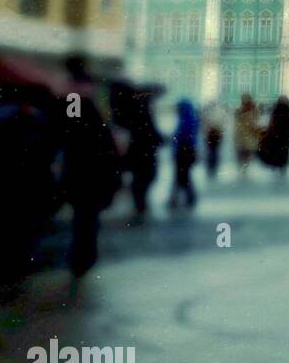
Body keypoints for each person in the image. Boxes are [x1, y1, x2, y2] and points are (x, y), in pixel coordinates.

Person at [60, 57, 120, 289]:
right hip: (89, 172)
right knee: (87, 219)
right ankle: (83, 258)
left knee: (83, 218)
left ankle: (82, 259)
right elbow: (80, 132)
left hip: (81, 171)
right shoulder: (83, 102)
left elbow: (72, 132)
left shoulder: (76, 101)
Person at [121, 88, 162, 220]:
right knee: (142, 181)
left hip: (140, 154)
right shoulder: (144, 113)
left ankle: (140, 206)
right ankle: (140, 207)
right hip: (144, 155)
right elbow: (151, 135)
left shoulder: (137, 113)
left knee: (140, 181)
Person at [168, 99, 200, 209]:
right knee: (181, 176)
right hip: (186, 151)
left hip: (184, 152)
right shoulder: (190, 118)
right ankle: (177, 199)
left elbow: (182, 137)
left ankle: (183, 198)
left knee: (182, 176)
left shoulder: (186, 120)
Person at [260, 96, 289, 176]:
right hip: (284, 134)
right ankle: (281, 165)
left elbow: (272, 121)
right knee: (283, 151)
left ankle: (279, 165)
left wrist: (269, 130)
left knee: (278, 150)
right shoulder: (288, 109)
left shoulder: (278, 109)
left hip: (279, 134)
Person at [234, 94, 261, 179]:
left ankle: (245, 167)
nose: (244, 101)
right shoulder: (239, 110)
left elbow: (255, 121)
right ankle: (241, 166)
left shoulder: (254, 110)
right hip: (241, 134)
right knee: (240, 151)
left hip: (249, 135)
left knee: (247, 152)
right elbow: (236, 121)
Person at [202, 104, 224, 179]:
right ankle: (211, 167)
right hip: (212, 135)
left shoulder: (213, 113)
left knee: (213, 152)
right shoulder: (215, 112)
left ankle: (212, 167)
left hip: (214, 135)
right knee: (212, 152)